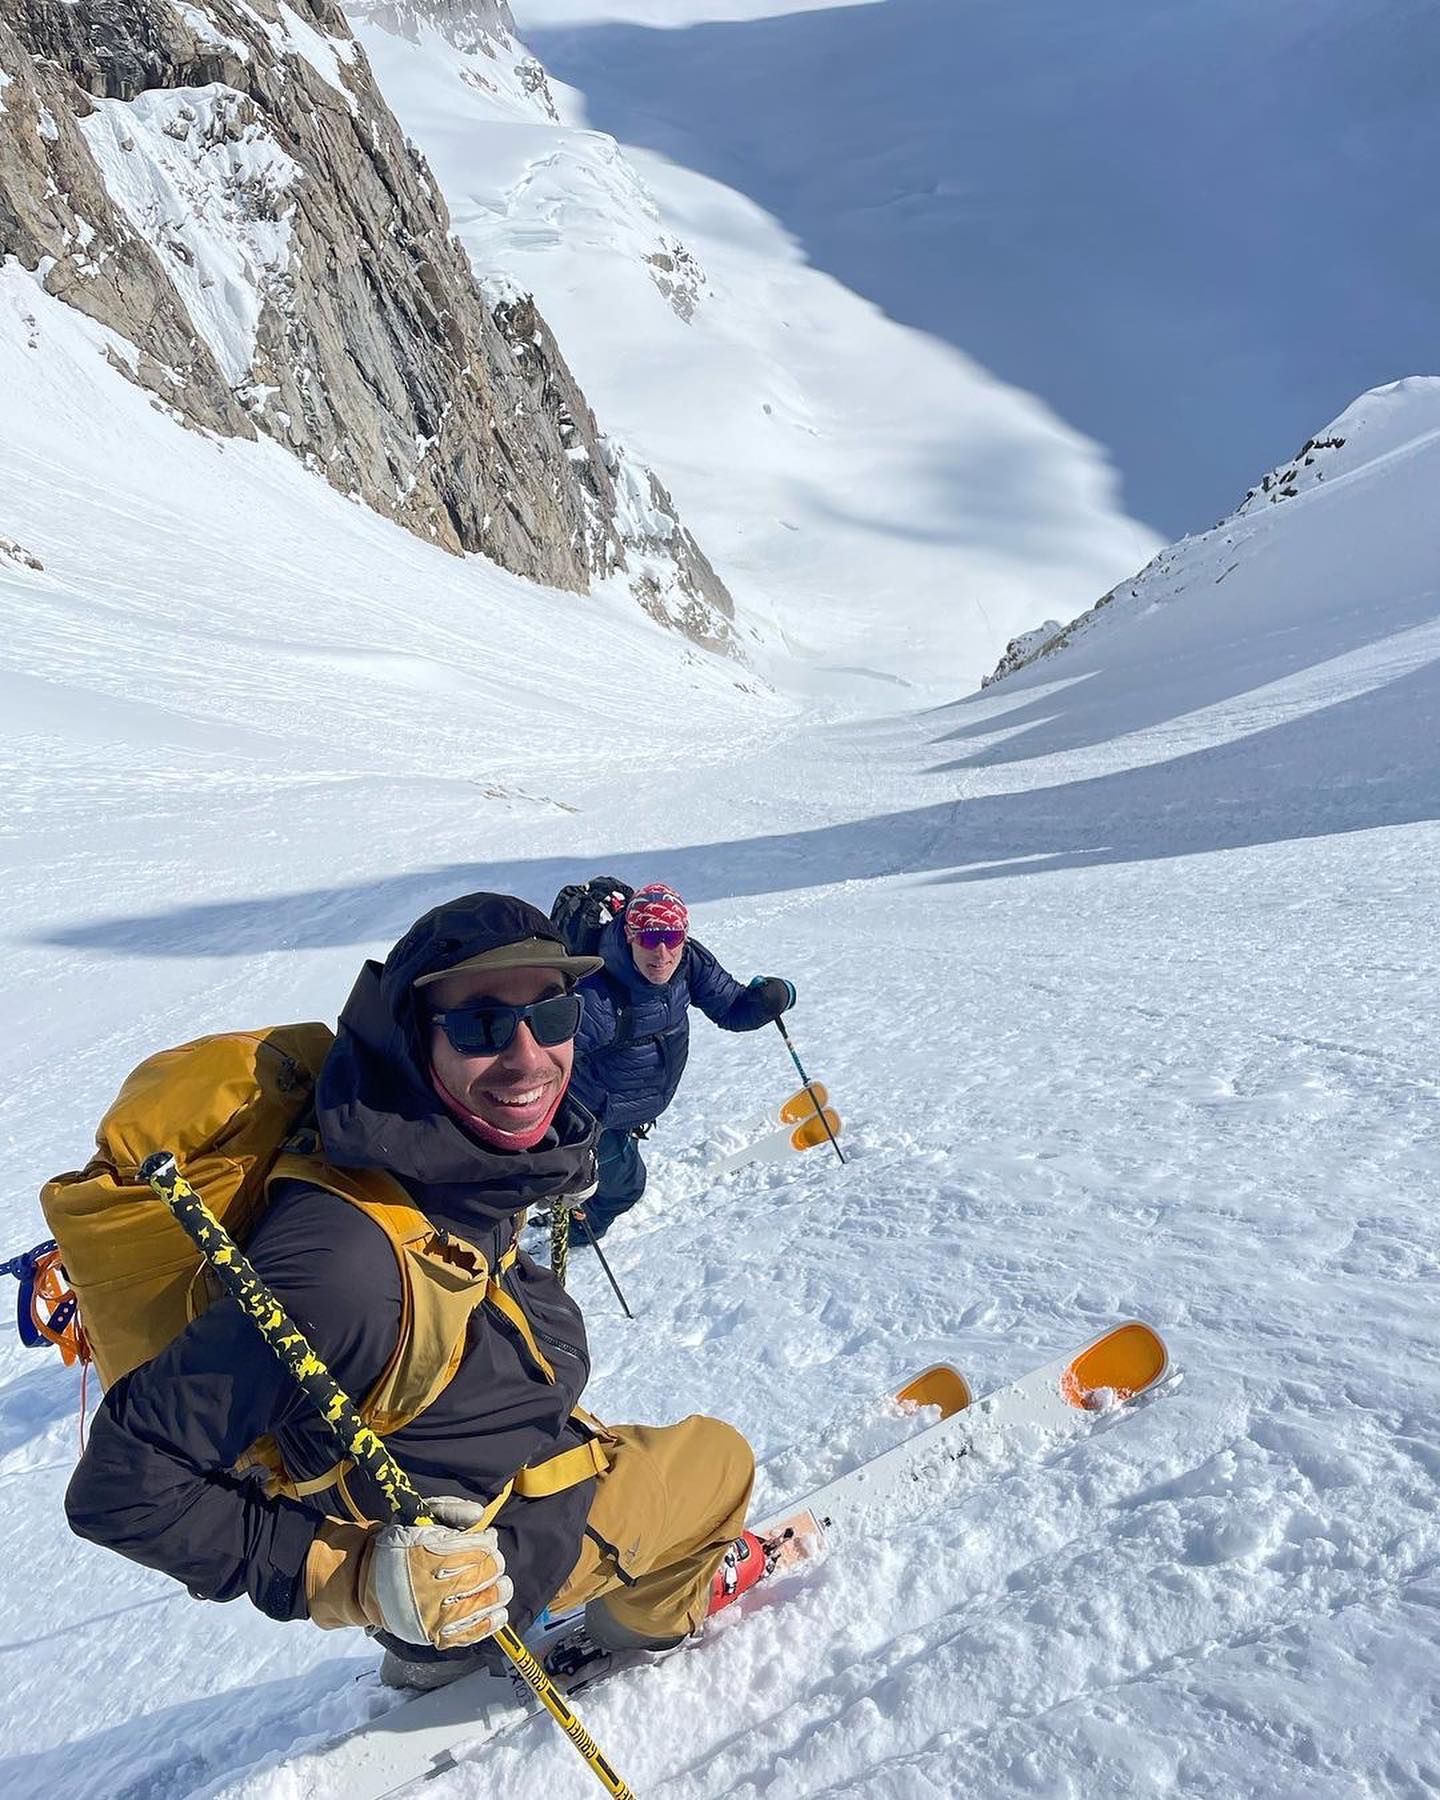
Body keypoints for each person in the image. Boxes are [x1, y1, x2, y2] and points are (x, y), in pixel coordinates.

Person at [64, 892, 762, 1690]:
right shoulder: (342, 1270)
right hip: (482, 1553)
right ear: (409, 1033)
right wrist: (356, 1579)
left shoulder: (422, 1138)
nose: (531, 1057)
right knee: (719, 1461)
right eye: (480, 1025)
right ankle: (644, 1618)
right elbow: (123, 1490)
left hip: (445, 1514)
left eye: (553, 1013)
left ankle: (430, 1648)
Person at [567, 882, 796, 1242]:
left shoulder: (689, 961)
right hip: (592, 1117)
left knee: (607, 1180)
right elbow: (544, 1065)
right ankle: (575, 1233)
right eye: (648, 938)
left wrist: (770, 999)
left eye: (672, 937)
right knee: (624, 1187)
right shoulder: (596, 995)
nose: (662, 953)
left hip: (626, 1106)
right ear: (629, 936)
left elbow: (732, 1008)